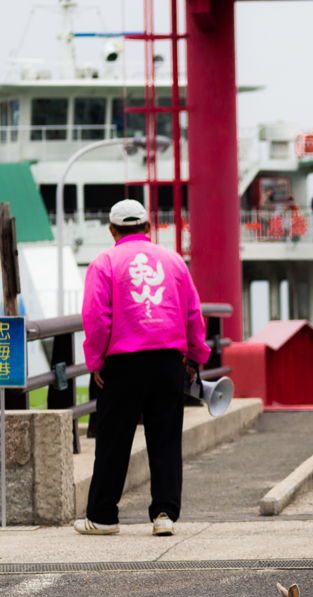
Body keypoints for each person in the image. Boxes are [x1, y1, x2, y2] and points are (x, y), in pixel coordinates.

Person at [75, 199, 210, 537]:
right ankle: (164, 514)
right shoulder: (174, 261)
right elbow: (193, 312)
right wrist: (195, 357)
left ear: (112, 230)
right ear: (148, 228)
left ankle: (103, 517)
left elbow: (96, 318)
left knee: (114, 438)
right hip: (168, 360)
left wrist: (96, 362)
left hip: (122, 363)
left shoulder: (104, 262)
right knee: (165, 438)